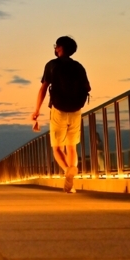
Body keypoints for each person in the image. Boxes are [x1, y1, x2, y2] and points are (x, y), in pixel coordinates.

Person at [30, 36, 90, 193]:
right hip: (76, 110)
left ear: (60, 48)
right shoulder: (79, 67)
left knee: (57, 148)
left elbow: (43, 89)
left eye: (56, 46)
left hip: (59, 110)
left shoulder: (52, 65)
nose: (55, 48)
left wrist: (36, 111)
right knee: (72, 147)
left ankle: (67, 171)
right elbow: (87, 87)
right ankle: (72, 180)